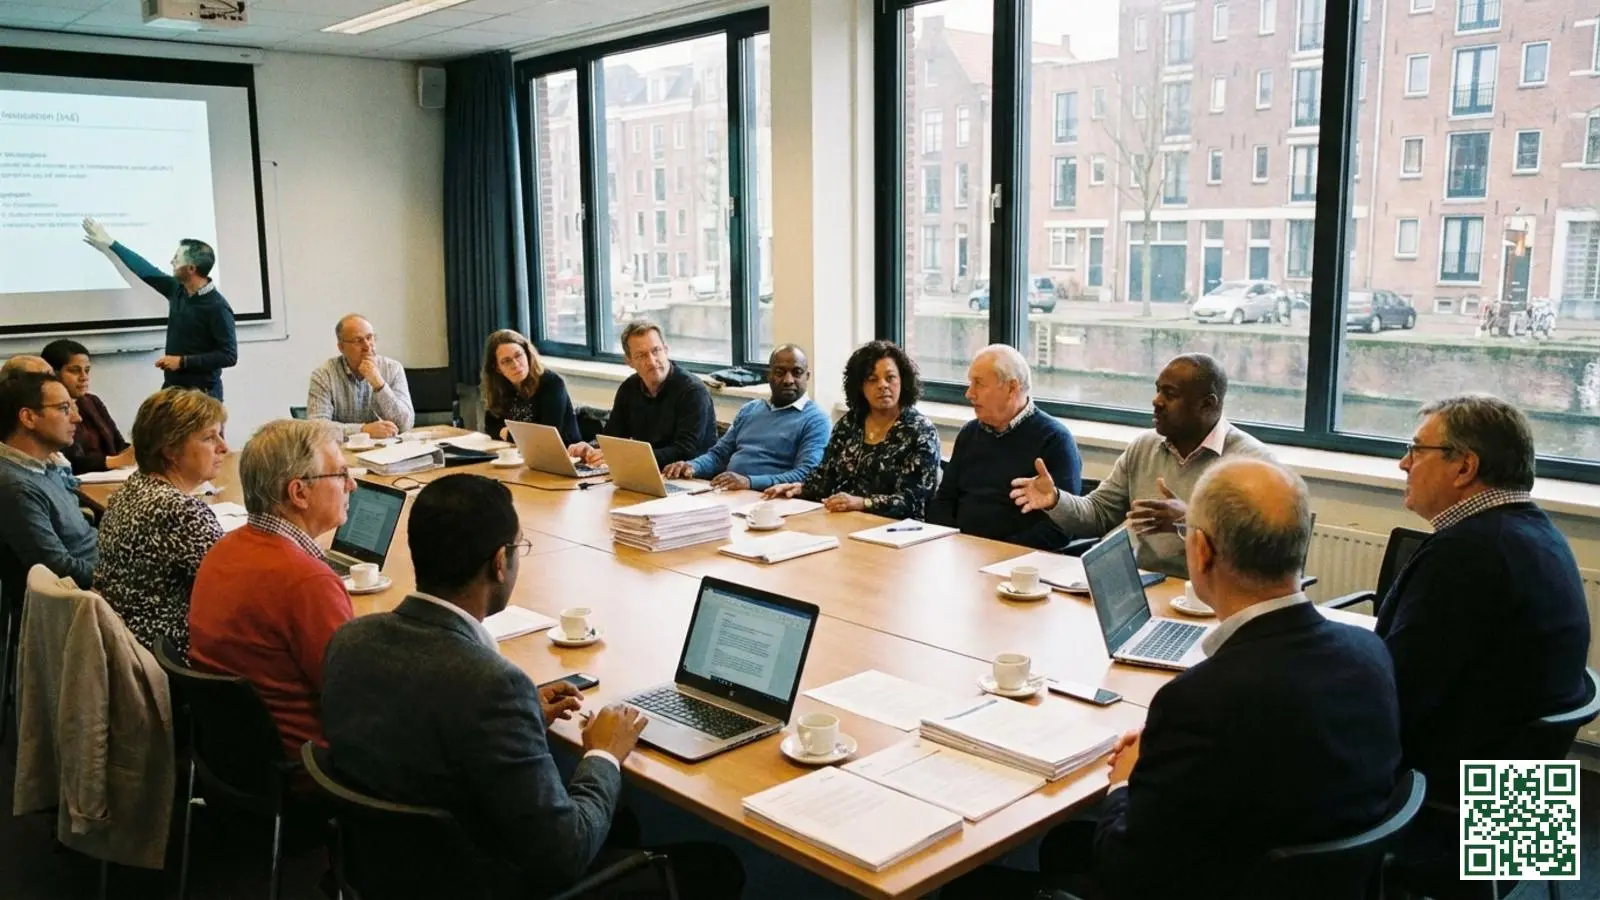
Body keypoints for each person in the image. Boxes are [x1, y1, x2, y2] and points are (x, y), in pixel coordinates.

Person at [947, 459, 1403, 900]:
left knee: (963, 886)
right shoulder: (1370, 652)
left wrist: (1125, 781)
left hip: (1211, 883)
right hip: (1315, 877)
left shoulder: (1201, 699)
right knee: (1062, 843)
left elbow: (1127, 871)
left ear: (1200, 550)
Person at [321, 474, 745, 899]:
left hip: (387, 874)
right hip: (488, 883)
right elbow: (565, 854)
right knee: (714, 865)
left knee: (620, 821)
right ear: (499, 563)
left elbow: (420, 726)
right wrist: (604, 753)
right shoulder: (491, 686)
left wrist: (522, 720)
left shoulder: (350, 641)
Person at [1381, 395, 1591, 893]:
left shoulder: (1467, 555)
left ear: (1465, 467)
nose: (1403, 463)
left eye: (1416, 449)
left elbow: (1399, 694)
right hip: (1526, 809)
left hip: (1454, 811)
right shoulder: (1537, 532)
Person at [1008, 354, 1269, 577]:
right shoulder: (1144, 446)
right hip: (1134, 586)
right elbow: (1098, 515)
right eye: (1157, 390)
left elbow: (1260, 550)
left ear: (1207, 404)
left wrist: (1191, 520)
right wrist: (1055, 500)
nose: (1156, 401)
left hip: (1206, 595)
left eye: (1170, 394)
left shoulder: (1252, 464)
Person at [188, 419, 354, 759]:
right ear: (299, 493)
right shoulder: (306, 581)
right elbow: (353, 697)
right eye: (340, 474)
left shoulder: (224, 549)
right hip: (308, 766)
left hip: (239, 760)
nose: (351, 484)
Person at [94, 389, 228, 655]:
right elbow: (236, 590)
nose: (223, 447)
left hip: (129, 643)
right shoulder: (180, 510)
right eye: (209, 438)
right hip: (170, 654)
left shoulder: (133, 487)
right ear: (171, 450)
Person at [765, 340, 941, 519]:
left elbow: (914, 502)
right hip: (843, 523)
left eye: (890, 378)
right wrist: (798, 488)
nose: (883, 385)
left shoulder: (920, 431)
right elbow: (826, 479)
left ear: (903, 381)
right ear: (860, 386)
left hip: (896, 531)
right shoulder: (849, 423)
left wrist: (862, 503)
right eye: (872, 379)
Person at [927, 344, 1080, 550]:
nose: (969, 394)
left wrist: (998, 551)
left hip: (1017, 562)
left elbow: (1062, 525)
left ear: (1011, 388)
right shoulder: (970, 434)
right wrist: (949, 542)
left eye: (979, 384)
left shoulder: (1054, 440)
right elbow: (944, 500)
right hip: (959, 552)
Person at [80, 218, 237, 400]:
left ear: (191, 268)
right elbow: (145, 270)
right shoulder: (178, 290)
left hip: (202, 394)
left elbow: (228, 355)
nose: (171, 262)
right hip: (173, 387)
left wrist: (182, 362)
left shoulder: (217, 307)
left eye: (177, 260)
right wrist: (111, 243)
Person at [662, 345, 830, 491]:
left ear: (807, 377)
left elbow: (806, 475)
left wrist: (749, 482)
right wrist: (691, 466)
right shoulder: (751, 409)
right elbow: (718, 455)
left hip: (770, 499)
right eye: (780, 373)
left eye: (797, 373)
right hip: (731, 493)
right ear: (768, 375)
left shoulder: (816, 420)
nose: (788, 380)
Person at [0, 372, 97, 595]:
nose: (77, 418)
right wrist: (120, 576)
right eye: (64, 409)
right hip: (82, 597)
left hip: (100, 569)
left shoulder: (46, 465)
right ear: (29, 418)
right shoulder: (15, 486)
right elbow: (58, 567)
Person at [570, 321, 716, 468]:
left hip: (693, 478)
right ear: (629, 361)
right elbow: (613, 437)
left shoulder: (692, 391)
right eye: (641, 356)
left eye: (656, 351)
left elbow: (685, 451)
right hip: (647, 471)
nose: (652, 362)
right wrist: (592, 449)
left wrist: (628, 456)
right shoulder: (629, 388)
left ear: (666, 350)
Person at [306, 314, 416, 438]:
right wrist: (362, 430)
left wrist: (379, 385)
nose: (367, 346)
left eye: (370, 338)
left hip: (388, 450)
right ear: (341, 347)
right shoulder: (324, 375)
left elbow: (405, 425)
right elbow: (315, 428)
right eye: (358, 341)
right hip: (342, 453)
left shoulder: (393, 368)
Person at [40, 339, 135, 474]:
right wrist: (115, 461)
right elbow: (64, 460)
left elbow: (119, 444)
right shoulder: (46, 408)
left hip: (112, 477)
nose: (84, 377)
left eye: (87, 370)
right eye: (74, 371)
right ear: (53, 373)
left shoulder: (92, 401)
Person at [480, 329, 580, 445]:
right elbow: (491, 427)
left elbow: (546, 435)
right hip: (519, 453)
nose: (516, 364)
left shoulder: (552, 383)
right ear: (497, 368)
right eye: (507, 361)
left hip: (564, 454)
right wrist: (513, 435)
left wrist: (507, 433)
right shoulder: (501, 387)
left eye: (518, 356)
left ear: (527, 355)